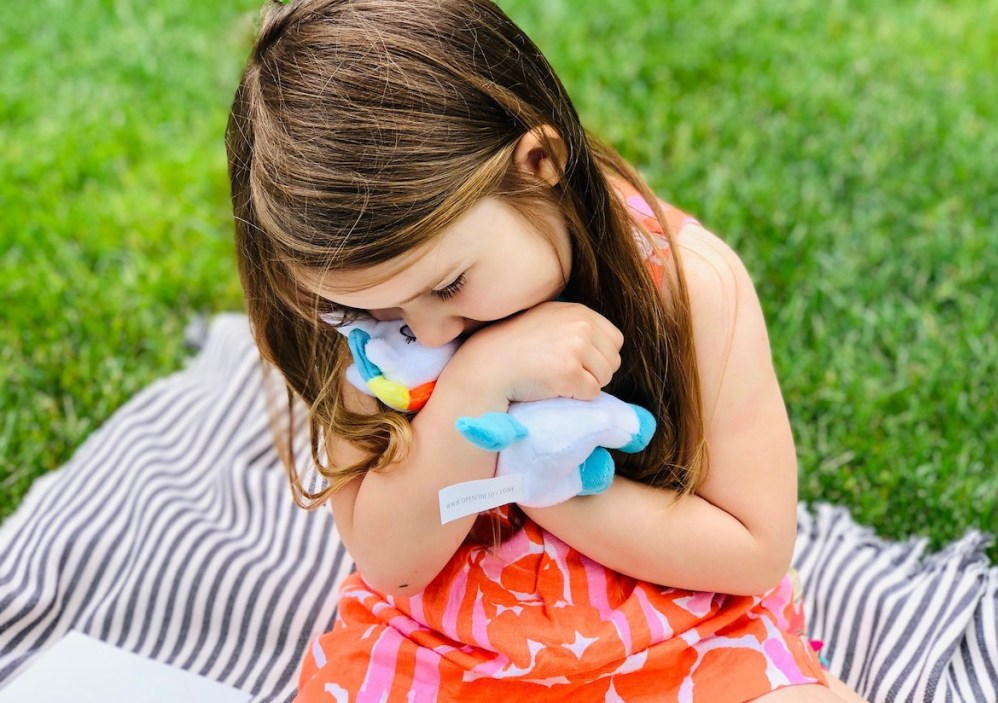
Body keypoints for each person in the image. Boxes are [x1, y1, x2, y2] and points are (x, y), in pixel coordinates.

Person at [226, 1, 868, 700]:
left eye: (451, 285)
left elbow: (753, 549)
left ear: (539, 164)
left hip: (678, 616)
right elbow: (391, 562)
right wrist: (476, 387)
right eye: (378, 309)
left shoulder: (692, 287)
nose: (429, 332)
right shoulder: (373, 322)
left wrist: (541, 484)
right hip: (449, 639)